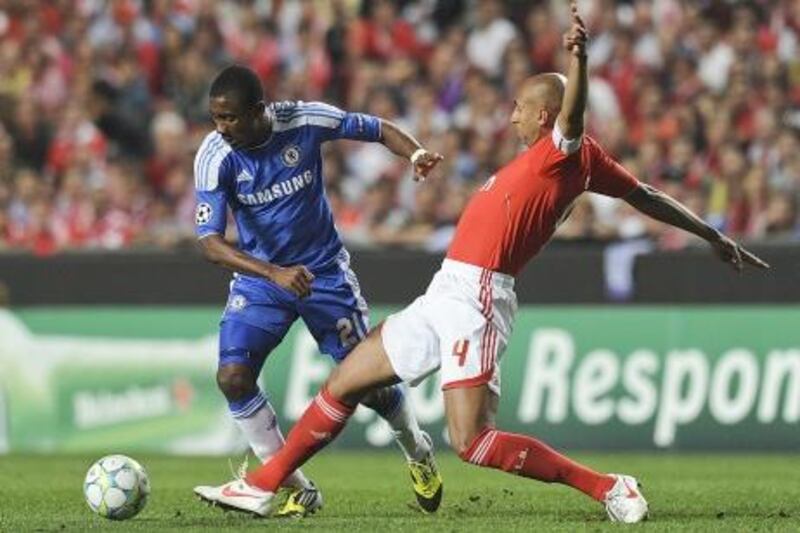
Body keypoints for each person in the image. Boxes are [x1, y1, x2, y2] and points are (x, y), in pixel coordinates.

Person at [196, 4, 769, 522]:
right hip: (446, 290)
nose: (511, 116)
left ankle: (607, 486)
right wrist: (710, 233)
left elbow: (576, 121)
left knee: (472, 442)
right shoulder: (583, 161)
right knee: (345, 381)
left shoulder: (560, 153)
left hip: (481, 297)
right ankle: (266, 485)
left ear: (547, 117)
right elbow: (645, 194)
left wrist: (580, 60)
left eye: (520, 108)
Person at [191, 65, 445, 516]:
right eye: (216, 118)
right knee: (232, 378)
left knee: (371, 388)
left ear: (258, 110)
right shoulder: (214, 156)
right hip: (262, 278)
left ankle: (417, 449)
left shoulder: (304, 120)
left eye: (230, 118)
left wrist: (416, 152)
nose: (221, 128)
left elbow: (377, 128)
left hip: (324, 274)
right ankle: (295, 488)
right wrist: (272, 274)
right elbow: (210, 244)